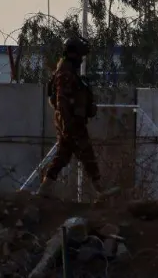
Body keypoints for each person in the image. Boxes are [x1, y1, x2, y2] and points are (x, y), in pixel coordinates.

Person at [36, 37, 106, 194]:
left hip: (73, 122)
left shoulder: (69, 73)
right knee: (87, 154)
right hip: (72, 123)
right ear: (73, 55)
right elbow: (62, 102)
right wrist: (68, 125)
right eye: (80, 56)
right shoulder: (65, 74)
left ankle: (44, 190)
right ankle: (100, 190)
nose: (81, 60)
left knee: (62, 156)